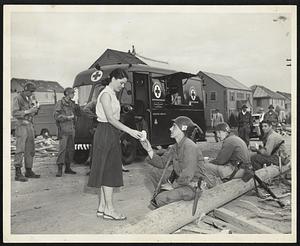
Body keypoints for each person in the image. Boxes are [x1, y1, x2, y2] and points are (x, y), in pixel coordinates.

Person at [87, 68, 143, 221]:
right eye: (121, 82)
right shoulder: (105, 94)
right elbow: (111, 119)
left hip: (109, 133)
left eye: (124, 84)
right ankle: (110, 210)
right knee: (110, 171)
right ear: (113, 78)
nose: (123, 86)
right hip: (106, 131)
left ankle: (102, 207)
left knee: (107, 169)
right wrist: (131, 131)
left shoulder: (111, 94)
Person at [140, 116, 218, 208]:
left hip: (193, 186)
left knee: (160, 199)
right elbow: (162, 163)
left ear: (182, 129)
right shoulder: (175, 146)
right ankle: (171, 200)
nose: (170, 128)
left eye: (174, 126)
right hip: (183, 182)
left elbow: (187, 174)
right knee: (154, 173)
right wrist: (148, 149)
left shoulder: (189, 146)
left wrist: (173, 186)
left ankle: (172, 203)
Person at [12, 82, 40, 182]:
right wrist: (28, 111)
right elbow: (15, 112)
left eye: (33, 92)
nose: (32, 93)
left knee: (30, 149)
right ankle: (18, 172)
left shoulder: (30, 98)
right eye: (30, 91)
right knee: (20, 148)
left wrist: (35, 109)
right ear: (26, 89)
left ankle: (28, 170)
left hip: (29, 125)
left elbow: (33, 111)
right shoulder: (18, 98)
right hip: (21, 125)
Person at [54, 87, 81, 177]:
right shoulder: (60, 103)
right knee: (62, 150)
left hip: (71, 130)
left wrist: (77, 108)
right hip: (63, 130)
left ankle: (68, 168)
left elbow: (79, 114)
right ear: (68, 94)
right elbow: (56, 116)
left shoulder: (72, 104)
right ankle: (59, 169)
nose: (74, 95)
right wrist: (67, 117)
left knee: (70, 149)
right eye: (73, 93)